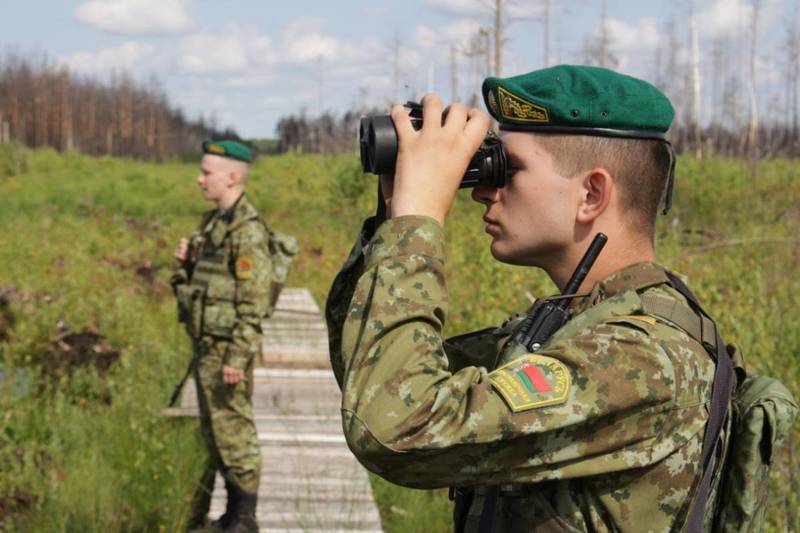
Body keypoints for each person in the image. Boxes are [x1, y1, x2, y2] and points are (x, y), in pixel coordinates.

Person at [325, 65, 729, 531]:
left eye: (508, 169)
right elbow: (372, 376)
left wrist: (417, 223)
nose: (482, 191)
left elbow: (398, 427)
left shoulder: (642, 358)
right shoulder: (578, 326)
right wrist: (393, 216)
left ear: (592, 193)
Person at [172, 139, 273, 533]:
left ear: (231, 177)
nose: (200, 180)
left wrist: (237, 356)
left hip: (226, 351)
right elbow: (205, 284)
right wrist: (186, 264)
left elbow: (254, 301)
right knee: (217, 432)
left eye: (206, 173)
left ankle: (245, 518)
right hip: (207, 346)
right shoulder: (214, 223)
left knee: (235, 432)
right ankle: (232, 513)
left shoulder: (247, 231)